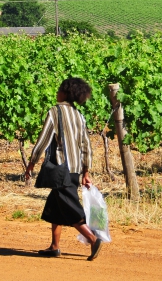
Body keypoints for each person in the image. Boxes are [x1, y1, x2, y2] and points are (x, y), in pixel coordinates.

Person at [25, 77, 103, 261]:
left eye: (59, 89)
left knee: (68, 206)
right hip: (74, 169)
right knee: (56, 205)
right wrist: (86, 171)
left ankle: (92, 238)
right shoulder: (79, 115)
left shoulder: (55, 112)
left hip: (61, 168)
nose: (57, 92)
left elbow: (43, 140)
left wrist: (31, 162)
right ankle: (55, 246)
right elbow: (86, 145)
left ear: (65, 93)